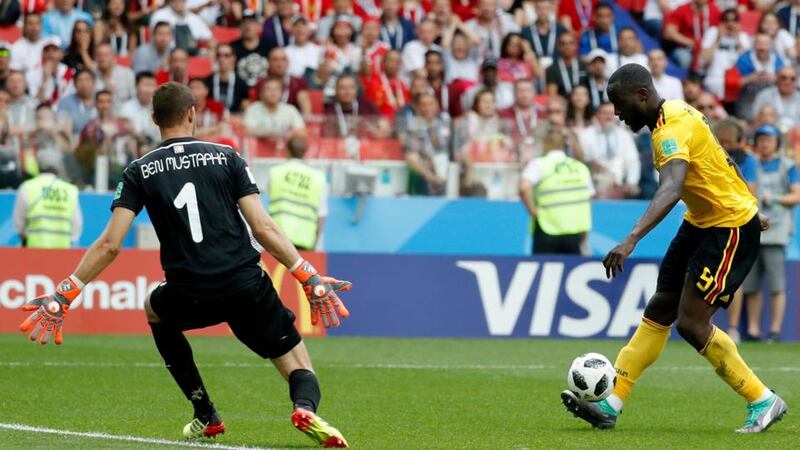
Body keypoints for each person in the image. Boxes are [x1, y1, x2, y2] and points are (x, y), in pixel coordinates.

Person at [17, 82, 352, 448]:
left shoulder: (138, 170)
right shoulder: (227, 157)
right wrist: (308, 275)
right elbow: (263, 227)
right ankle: (304, 407)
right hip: (245, 284)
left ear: (154, 119)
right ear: (193, 113)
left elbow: (110, 244)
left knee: (154, 308)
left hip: (190, 291)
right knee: (295, 359)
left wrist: (65, 294)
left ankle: (205, 412)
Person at [561, 63, 787, 434]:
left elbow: (669, 188)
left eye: (620, 104)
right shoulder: (679, 112)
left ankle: (762, 399)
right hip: (701, 222)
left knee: (692, 323)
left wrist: (631, 238)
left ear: (642, 95)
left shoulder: (672, 128)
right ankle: (611, 403)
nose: (617, 112)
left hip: (728, 228)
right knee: (660, 307)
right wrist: (748, 196)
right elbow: (722, 157)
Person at [741, 125, 800, 343]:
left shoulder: (788, 166)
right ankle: (754, 329)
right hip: (753, 230)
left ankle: (775, 330)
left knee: (777, 284)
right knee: (752, 284)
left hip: (777, 230)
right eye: (762, 139)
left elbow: (797, 196)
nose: (765, 144)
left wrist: (773, 198)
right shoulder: (751, 164)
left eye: (770, 140)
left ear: (777, 143)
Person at [519, 125, 593, 254]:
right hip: (575, 230)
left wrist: (533, 212)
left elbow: (523, 188)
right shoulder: (580, 168)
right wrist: (585, 233)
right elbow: (587, 199)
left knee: (545, 271)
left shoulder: (539, 164)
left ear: (545, 144)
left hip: (547, 227)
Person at [267, 135, 328, 250]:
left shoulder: (276, 172)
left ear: (287, 150)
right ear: (305, 152)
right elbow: (321, 215)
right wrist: (316, 245)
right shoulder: (318, 178)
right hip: (305, 242)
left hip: (277, 239)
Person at [13, 150, 81, 248]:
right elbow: (76, 226)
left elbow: (19, 225)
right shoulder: (70, 190)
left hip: (33, 253)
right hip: (63, 253)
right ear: (58, 168)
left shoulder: (27, 188)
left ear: (38, 166)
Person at [577, 101, 641, 198]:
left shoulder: (624, 135)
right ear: (597, 115)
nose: (608, 117)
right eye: (605, 113)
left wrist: (631, 182)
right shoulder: (585, 135)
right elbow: (581, 161)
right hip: (595, 181)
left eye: (611, 113)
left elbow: (632, 161)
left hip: (620, 183)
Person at [403, 93, 450, 196]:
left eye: (430, 104)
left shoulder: (445, 123)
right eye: (423, 105)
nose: (427, 108)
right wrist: (431, 176)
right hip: (426, 169)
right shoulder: (413, 126)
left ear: (437, 105)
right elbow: (411, 155)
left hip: (446, 167)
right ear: (418, 108)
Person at [701, 8, 751, 99]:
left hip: (737, 84)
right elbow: (704, 60)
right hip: (714, 81)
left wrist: (737, 37)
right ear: (721, 22)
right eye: (726, 20)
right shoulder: (713, 32)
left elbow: (747, 63)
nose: (730, 24)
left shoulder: (743, 36)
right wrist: (719, 38)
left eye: (734, 20)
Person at [663, 0, 721, 71]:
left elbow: (722, 29)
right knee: (685, 58)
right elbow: (669, 33)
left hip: (707, 47)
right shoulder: (682, 9)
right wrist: (691, 43)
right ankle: (685, 79)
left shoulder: (714, 10)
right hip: (686, 48)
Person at [752, 66, 800, 131]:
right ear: (777, 79)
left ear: (796, 81)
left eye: (792, 79)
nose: (788, 82)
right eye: (783, 78)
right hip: (771, 136)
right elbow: (756, 121)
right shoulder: (764, 96)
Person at [204, 44, 249, 113]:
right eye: (219, 55)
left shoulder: (242, 84)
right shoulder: (207, 82)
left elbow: (245, 110)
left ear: (234, 58)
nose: (221, 59)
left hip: (234, 120)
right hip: (211, 120)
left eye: (226, 55)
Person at [118, 71, 160, 144]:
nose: (149, 90)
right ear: (136, 86)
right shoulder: (126, 108)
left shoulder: (159, 108)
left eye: (152, 85)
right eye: (146, 85)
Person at [56, 69, 97, 137]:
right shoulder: (65, 102)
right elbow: (61, 127)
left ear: (94, 82)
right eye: (80, 80)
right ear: (74, 84)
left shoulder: (102, 100)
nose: (84, 84)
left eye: (87, 80)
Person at [546, 32, 588, 97]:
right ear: (558, 47)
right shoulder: (552, 68)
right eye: (563, 44)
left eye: (571, 43)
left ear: (576, 45)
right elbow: (552, 95)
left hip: (583, 102)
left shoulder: (584, 65)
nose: (567, 47)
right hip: (563, 104)